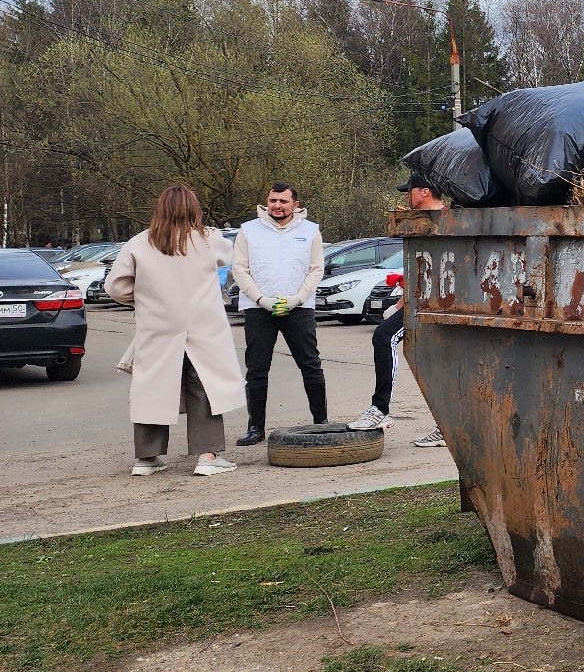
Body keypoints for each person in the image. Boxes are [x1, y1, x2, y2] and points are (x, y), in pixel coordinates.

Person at [105, 185, 246, 477]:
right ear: (194, 209)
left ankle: (146, 458)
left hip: (158, 325)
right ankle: (208, 456)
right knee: (204, 386)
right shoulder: (210, 239)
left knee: (152, 388)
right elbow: (237, 264)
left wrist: (143, 298)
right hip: (203, 325)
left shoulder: (139, 243)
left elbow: (114, 286)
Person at [347, 172, 448, 449]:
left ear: (424, 192)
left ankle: (381, 410)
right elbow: (417, 265)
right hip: (420, 303)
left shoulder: (451, 220)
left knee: (386, 338)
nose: (406, 197)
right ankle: (442, 426)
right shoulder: (416, 223)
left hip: (441, 305)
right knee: (412, 351)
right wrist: (402, 301)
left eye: (410, 191)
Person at [229, 182, 327, 445]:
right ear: (266, 202)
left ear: (295, 204)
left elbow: (317, 269)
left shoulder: (310, 231)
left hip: (299, 308)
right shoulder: (248, 230)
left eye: (283, 201)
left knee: (311, 365)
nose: (277, 206)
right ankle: (255, 428)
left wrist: (297, 298)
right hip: (259, 309)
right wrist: (261, 299)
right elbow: (239, 270)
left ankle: (321, 422)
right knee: (257, 370)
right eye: (273, 200)